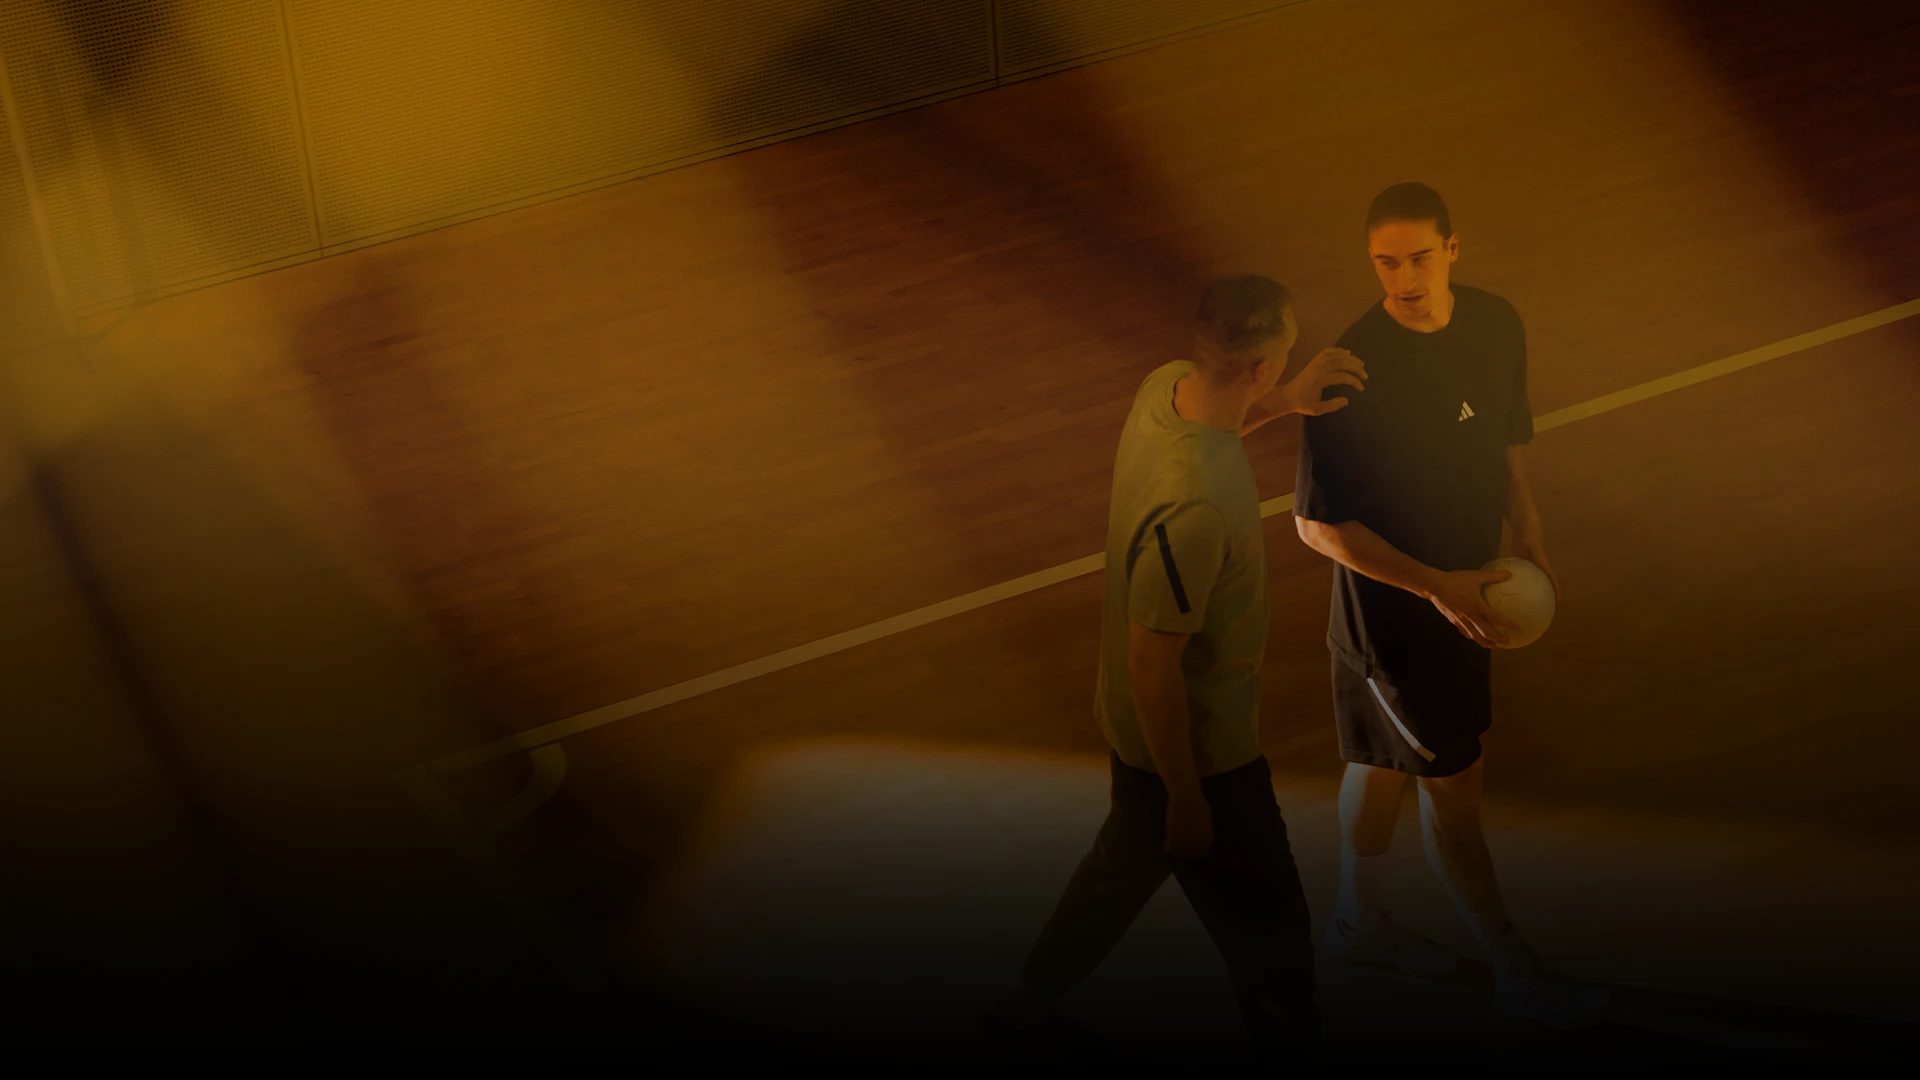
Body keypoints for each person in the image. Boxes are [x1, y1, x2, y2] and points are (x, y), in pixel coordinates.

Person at [983, 275, 1366, 1064]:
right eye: (1283, 356)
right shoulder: (1198, 507)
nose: (1286, 363)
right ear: (1257, 365)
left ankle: (1023, 1008)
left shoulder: (1165, 389)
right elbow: (1152, 662)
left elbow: (1222, 425)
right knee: (1274, 935)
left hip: (1132, 727)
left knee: (1121, 869)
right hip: (1200, 753)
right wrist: (1189, 800)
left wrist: (1288, 399)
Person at [1291, 182, 1610, 1029]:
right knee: (1455, 785)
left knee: (1379, 762)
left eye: (1419, 257)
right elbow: (1317, 529)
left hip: (1470, 588)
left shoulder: (1496, 324)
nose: (1403, 277)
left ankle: (1356, 924)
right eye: (1385, 262)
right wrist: (1440, 590)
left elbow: (1504, 442)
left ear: (1453, 250)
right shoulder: (1352, 370)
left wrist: (1530, 534)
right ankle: (1515, 969)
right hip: (1398, 621)